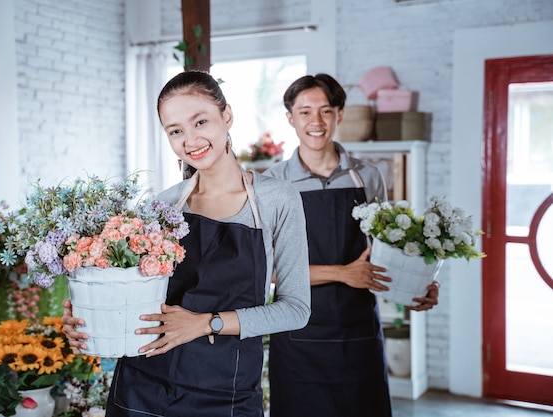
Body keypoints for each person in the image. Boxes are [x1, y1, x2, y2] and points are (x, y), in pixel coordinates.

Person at [61, 70, 311, 417]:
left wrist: (205, 322)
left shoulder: (276, 200)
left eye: (200, 122)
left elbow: (296, 310)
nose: (190, 139)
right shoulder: (163, 205)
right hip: (143, 384)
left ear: (227, 116)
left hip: (225, 391)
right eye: (175, 130)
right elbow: (130, 292)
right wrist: (88, 314)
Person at [262, 73, 440, 417]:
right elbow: (268, 271)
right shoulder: (272, 184)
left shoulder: (367, 176)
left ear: (340, 114)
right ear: (290, 118)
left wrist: (418, 286)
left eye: (326, 111)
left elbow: (387, 251)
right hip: (298, 336)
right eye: (305, 112)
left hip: (358, 334)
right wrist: (344, 274)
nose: (316, 122)